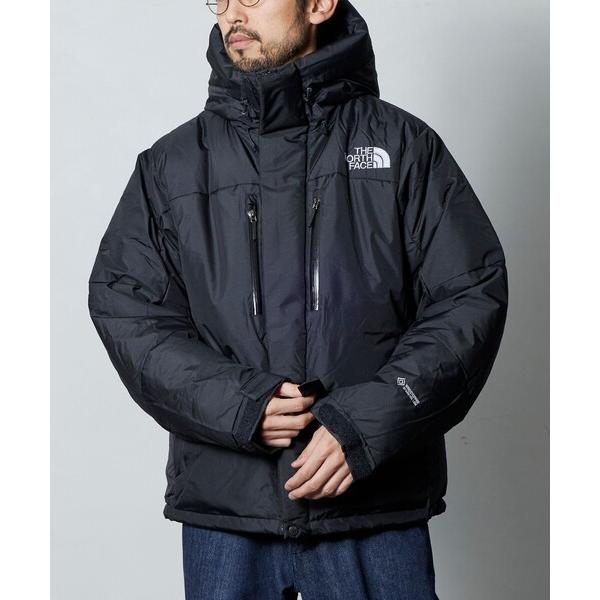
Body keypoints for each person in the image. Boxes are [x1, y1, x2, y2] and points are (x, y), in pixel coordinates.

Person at [87, 0, 508, 597]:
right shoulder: (170, 167)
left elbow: (469, 296)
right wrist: (238, 405)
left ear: (318, 5)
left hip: (371, 506)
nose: (231, 14)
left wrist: (364, 425)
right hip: (230, 513)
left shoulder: (405, 148)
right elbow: (128, 308)